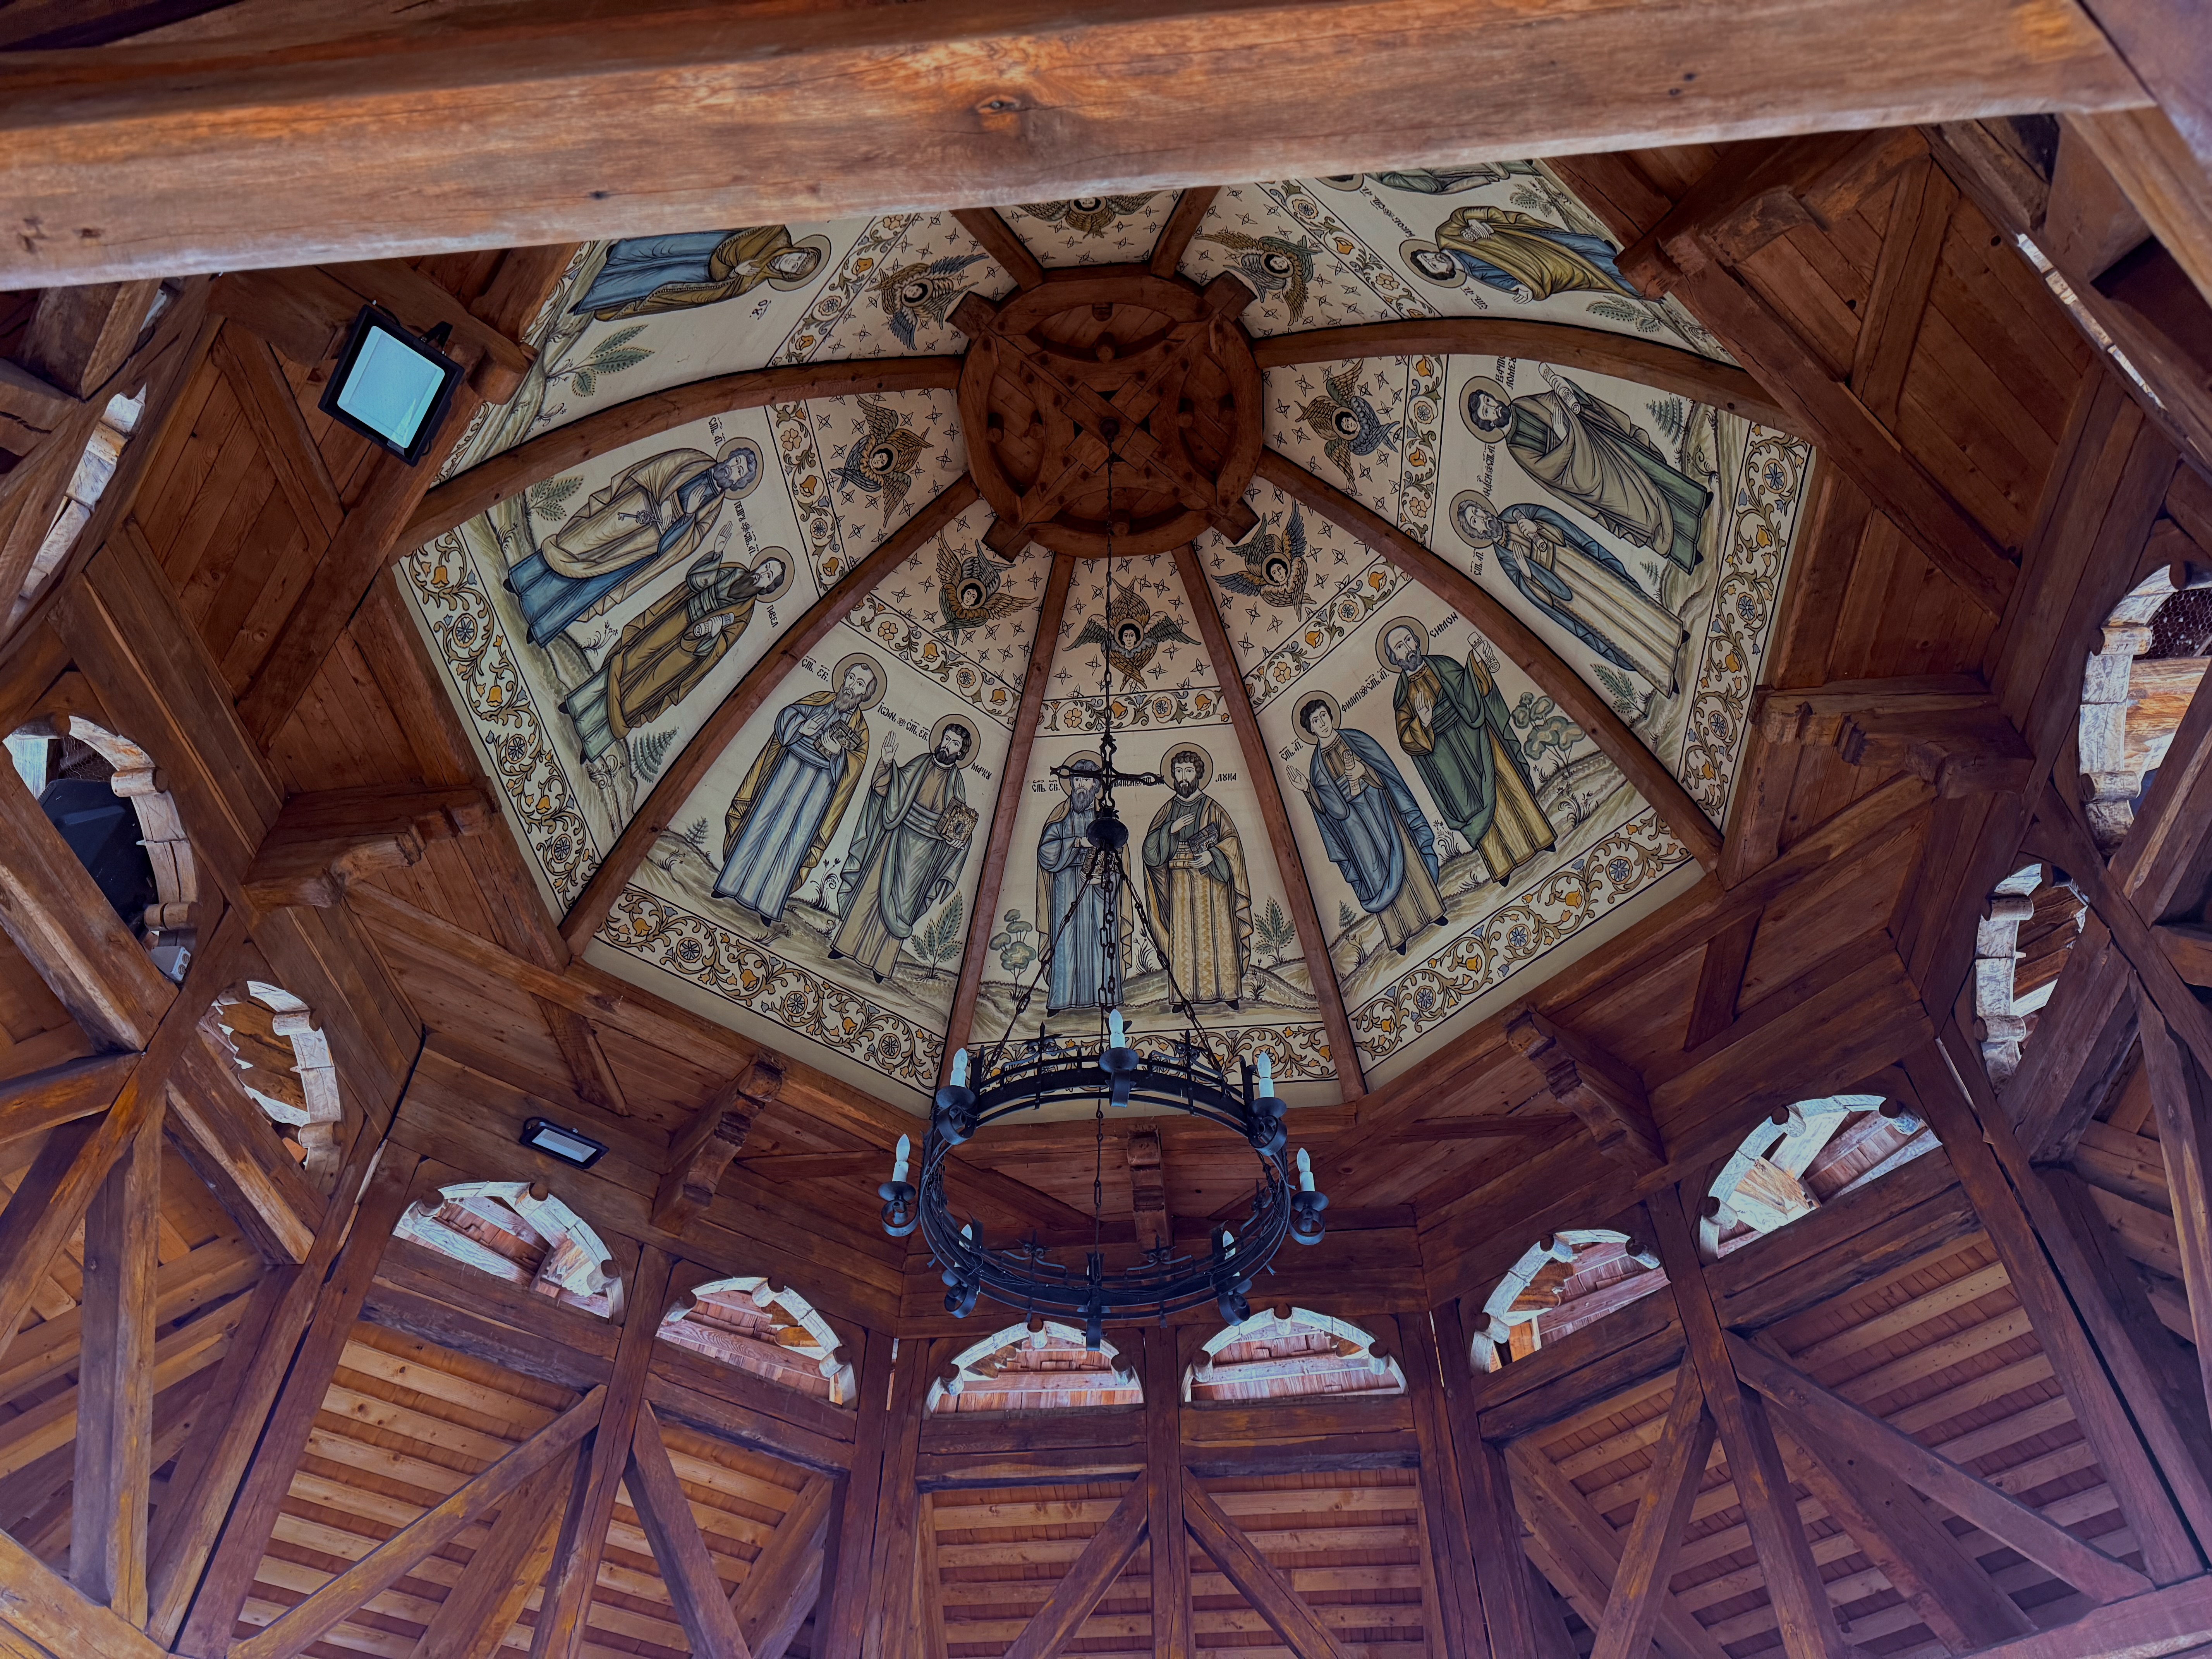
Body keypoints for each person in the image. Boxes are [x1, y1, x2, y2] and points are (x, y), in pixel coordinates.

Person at [560, 550, 788, 816]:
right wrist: (714, 557)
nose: (763, 572)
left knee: (639, 697)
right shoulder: (735, 570)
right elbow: (696, 581)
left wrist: (712, 634)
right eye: (765, 566)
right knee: (631, 659)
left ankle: (593, 741)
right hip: (676, 618)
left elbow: (718, 651)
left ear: (768, 587)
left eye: (769, 575)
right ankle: (578, 705)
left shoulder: (744, 615)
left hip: (683, 654)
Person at [507, 440, 761, 645]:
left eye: (740, 471)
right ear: (729, 456)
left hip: (646, 545)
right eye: (736, 461)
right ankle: (522, 580)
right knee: (578, 542)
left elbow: (687, 544)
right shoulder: (696, 459)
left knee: (597, 583)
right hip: (633, 508)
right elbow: (656, 468)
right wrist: (663, 498)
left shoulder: (713, 509)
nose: (733, 468)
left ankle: (542, 623)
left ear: (739, 482)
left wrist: (689, 516)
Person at [1464, 368, 1711, 574]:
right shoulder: (1515, 448)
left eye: (1489, 401)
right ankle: (1686, 552)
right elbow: (1549, 472)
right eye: (1487, 411)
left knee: (1645, 470)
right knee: (1637, 511)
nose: (1493, 406)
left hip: (1595, 445)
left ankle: (1695, 502)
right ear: (1489, 424)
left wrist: (1563, 390)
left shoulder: (1519, 405)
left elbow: (1550, 401)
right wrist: (1566, 438)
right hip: (1584, 475)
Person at [1453, 493, 1687, 692]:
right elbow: (1539, 599)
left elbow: (1562, 526)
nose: (1483, 517)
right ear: (1477, 533)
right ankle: (1661, 669)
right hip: (1569, 595)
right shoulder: (1505, 560)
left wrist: (1539, 528)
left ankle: (1672, 634)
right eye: (1476, 520)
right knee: (1612, 628)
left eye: (1479, 511)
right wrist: (1528, 573)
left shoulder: (1515, 513)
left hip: (1578, 562)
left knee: (1624, 598)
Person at [1381, 624, 1554, 881]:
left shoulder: (1444, 665)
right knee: (1472, 807)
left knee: (1504, 782)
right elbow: (1407, 739)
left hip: (1475, 736)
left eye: (1408, 640)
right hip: (1446, 759)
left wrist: (1478, 663)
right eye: (1400, 647)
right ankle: (1502, 864)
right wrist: (1424, 724)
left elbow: (1471, 689)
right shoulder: (1403, 698)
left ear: (1417, 641)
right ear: (1395, 659)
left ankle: (1541, 837)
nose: (1407, 648)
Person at [713, 661, 879, 925]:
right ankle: (729, 884)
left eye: (860, 684)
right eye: (851, 679)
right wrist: (802, 727)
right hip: (787, 767)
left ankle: (768, 905)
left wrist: (838, 756)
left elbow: (853, 771)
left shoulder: (861, 730)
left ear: (866, 694)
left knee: (795, 841)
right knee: (761, 822)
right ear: (844, 679)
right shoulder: (820, 700)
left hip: (819, 786)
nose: (852, 686)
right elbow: (786, 716)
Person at [1288, 698, 1448, 955]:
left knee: (1405, 857)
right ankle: (1399, 934)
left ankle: (1432, 911)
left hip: (1381, 809)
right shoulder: (1316, 768)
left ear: (1331, 715)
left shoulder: (1355, 739)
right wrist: (1308, 789)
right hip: (1356, 828)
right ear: (1311, 730)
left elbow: (1386, 771)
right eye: (1315, 721)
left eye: (1324, 716)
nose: (1322, 723)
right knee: (1376, 876)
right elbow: (1327, 813)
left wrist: (1364, 771)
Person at [828, 720, 977, 981]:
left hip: (924, 856)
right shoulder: (921, 764)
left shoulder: (957, 783)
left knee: (901, 908)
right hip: (896, 838)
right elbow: (892, 788)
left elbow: (961, 828)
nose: (947, 745)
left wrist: (958, 841)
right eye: (947, 739)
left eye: (955, 744)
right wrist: (887, 763)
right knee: (871, 893)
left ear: (961, 752)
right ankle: (844, 947)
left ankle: (881, 965)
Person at [1140, 747, 1249, 1008]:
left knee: (1218, 936)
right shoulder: (1167, 811)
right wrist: (1170, 829)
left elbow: (1232, 844)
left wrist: (1214, 855)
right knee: (1184, 941)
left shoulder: (1213, 808)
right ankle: (1182, 996)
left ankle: (1228, 993)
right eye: (1179, 772)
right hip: (1179, 883)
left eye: (1189, 771)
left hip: (1213, 884)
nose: (1184, 777)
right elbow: (1150, 852)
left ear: (1198, 773)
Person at [570, 226, 825, 319]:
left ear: (788, 277)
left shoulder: (756, 280)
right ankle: (623, 252)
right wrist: (734, 263)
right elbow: (737, 242)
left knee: (657, 280)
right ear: (797, 250)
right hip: (710, 242)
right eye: (796, 259)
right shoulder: (776, 234)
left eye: (793, 269)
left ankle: (604, 289)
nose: (789, 264)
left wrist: (736, 272)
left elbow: (720, 288)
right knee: (665, 247)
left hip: (699, 275)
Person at [1424, 204, 1637, 303]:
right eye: (1434, 266)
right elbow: (1507, 282)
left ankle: (1610, 254)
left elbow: (1460, 214)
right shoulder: (1478, 274)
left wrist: (1475, 221)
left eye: (1427, 256)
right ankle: (1634, 279)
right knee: (1584, 272)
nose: (1434, 259)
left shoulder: (1447, 236)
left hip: (1530, 242)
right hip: (1541, 267)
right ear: (1445, 274)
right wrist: (1526, 289)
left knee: (1576, 246)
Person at [1037, 758, 1119, 1012]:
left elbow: (1118, 857)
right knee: (1065, 939)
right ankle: (1061, 1000)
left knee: (1099, 938)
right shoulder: (1059, 818)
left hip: (1096, 890)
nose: (1082, 786)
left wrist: (1107, 878)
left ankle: (1105, 999)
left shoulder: (1103, 818)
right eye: (1078, 780)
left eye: (1088, 781)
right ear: (1071, 784)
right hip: (1066, 887)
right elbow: (1045, 852)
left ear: (1096, 787)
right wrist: (1076, 843)